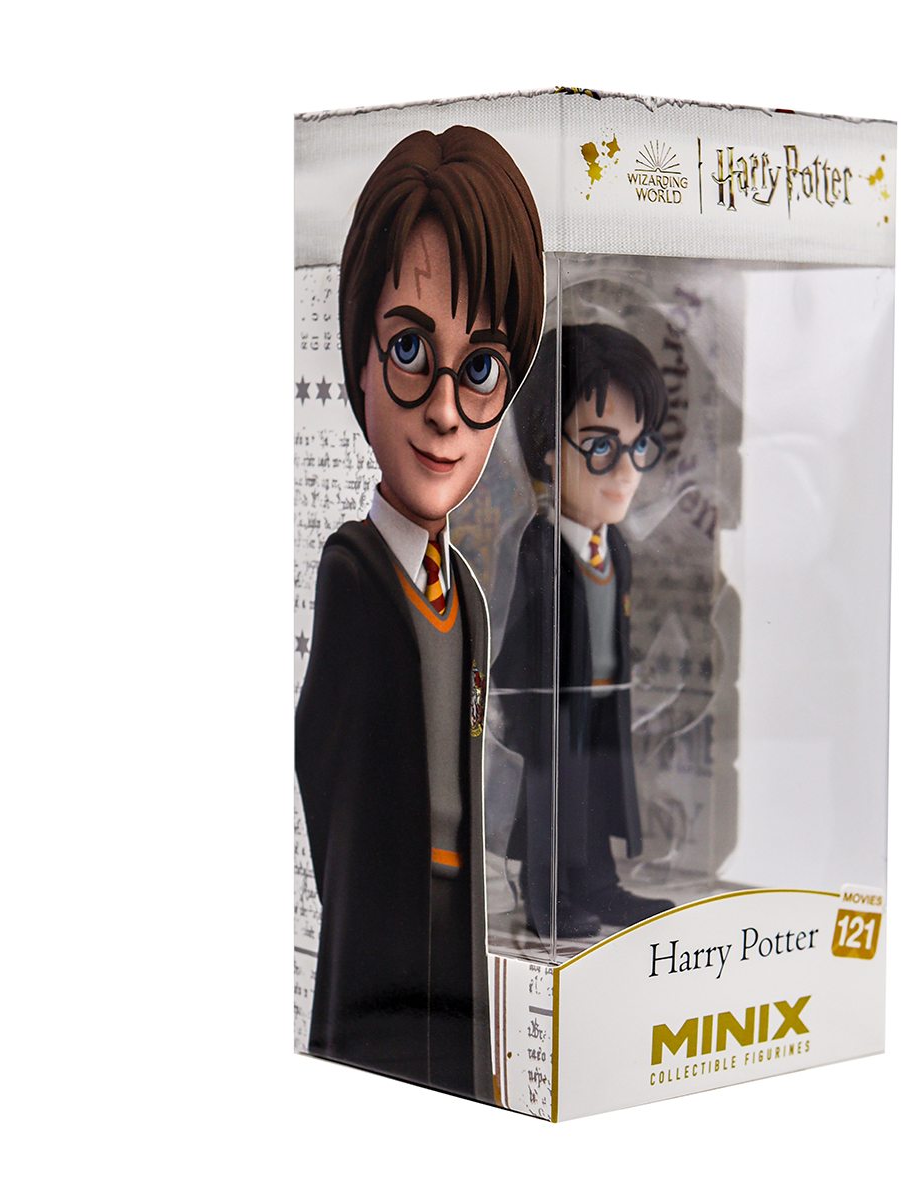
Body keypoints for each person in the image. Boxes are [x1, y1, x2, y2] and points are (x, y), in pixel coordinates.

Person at [295, 126, 544, 1099]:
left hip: (456, 929)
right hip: (378, 945)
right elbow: (320, 760)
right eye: (409, 350)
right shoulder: (353, 574)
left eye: (478, 369)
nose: (444, 410)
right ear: (358, 361)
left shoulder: (469, 597)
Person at [495, 324, 675, 939]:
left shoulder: (614, 548)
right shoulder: (536, 550)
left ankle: (599, 885)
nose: (626, 472)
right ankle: (546, 895)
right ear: (549, 446)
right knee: (551, 802)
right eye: (601, 446)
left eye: (638, 446)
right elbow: (509, 636)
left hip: (602, 702)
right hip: (547, 710)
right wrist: (521, 712)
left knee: (596, 794)